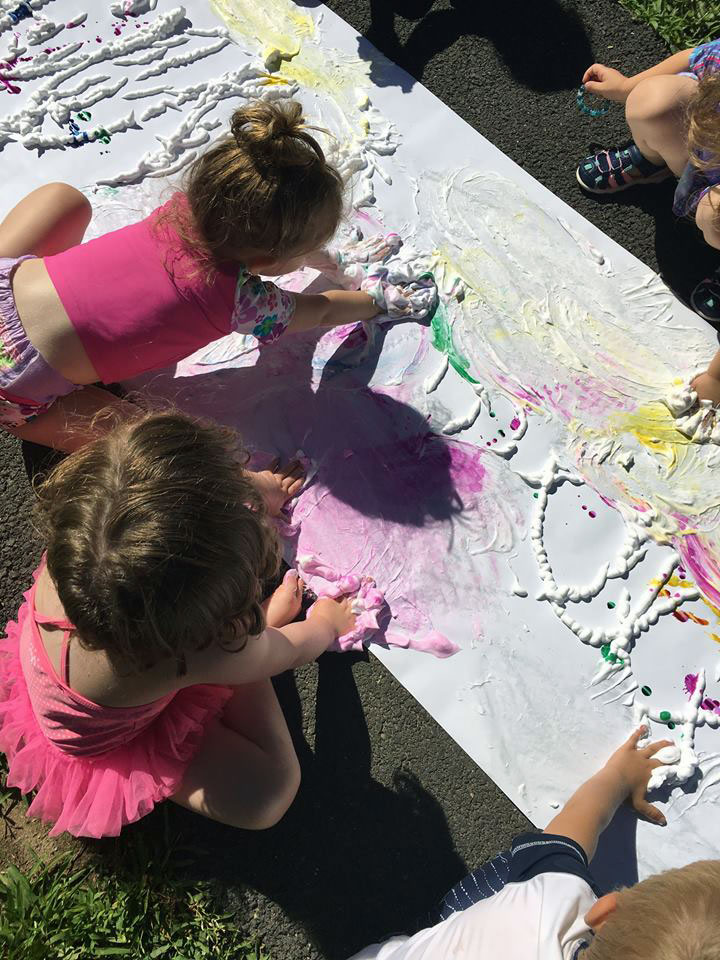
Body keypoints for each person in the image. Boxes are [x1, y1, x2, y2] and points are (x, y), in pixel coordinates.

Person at [0, 99, 433, 454]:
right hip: (16, 384)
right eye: (301, 251)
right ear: (273, 257)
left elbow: (260, 236)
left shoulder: (186, 210)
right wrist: (378, 301)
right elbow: (319, 310)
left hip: (5, 288)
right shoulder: (244, 302)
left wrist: (310, 256)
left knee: (63, 199)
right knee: (148, 439)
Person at [0, 410, 355, 838]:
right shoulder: (202, 646)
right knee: (270, 791)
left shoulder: (88, 546)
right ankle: (251, 642)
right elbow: (292, 650)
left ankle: (252, 640)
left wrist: (258, 489)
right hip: (114, 741)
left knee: (240, 650)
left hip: (72, 675)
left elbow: (166, 500)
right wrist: (327, 624)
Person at [347, 727, 720, 958]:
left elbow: (577, 822)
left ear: (605, 910)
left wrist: (622, 775)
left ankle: (427, 927)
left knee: (537, 862)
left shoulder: (551, 900)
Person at [575, 41, 720, 334]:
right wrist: (627, 87)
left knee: (716, 218)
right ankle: (654, 160)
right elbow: (695, 58)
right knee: (651, 102)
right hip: (703, 153)